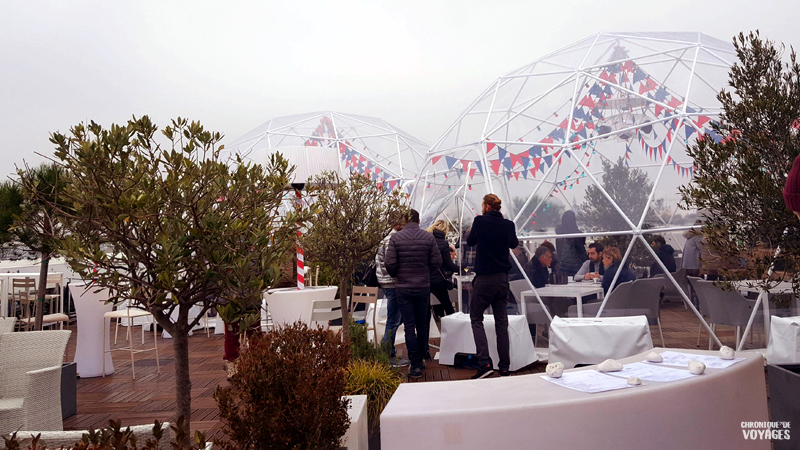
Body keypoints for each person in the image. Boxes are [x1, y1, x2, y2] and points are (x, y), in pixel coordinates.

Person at [466, 194, 519, 379]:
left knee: (476, 318)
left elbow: (471, 240)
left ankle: (485, 363)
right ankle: (504, 366)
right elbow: (514, 243)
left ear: (487, 206)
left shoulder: (480, 221)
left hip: (484, 279)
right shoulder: (508, 224)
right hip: (502, 279)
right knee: (501, 323)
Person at [385, 209, 441, 378]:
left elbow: (390, 263)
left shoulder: (396, 238)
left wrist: (398, 274)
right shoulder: (428, 237)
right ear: (419, 221)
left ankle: (414, 364)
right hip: (423, 286)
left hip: (403, 287)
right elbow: (437, 261)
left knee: (409, 326)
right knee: (422, 324)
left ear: (404, 220)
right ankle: (423, 355)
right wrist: (425, 272)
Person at [375, 219, 408, 368]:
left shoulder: (388, 237)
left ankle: (386, 349)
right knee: (394, 319)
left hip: (387, 281)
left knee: (395, 318)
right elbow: (391, 262)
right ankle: (388, 354)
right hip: (391, 282)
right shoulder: (392, 239)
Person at [427, 220, 458, 319]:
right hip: (438, 279)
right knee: (447, 304)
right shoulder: (443, 243)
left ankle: (430, 328)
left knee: (425, 307)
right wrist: (461, 268)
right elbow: (448, 264)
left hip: (424, 279)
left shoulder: (426, 239)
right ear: (445, 230)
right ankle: (454, 327)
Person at [555, 211, 588, 277]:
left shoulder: (559, 234)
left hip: (562, 266)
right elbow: (581, 251)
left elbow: (559, 250)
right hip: (576, 266)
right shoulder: (578, 234)